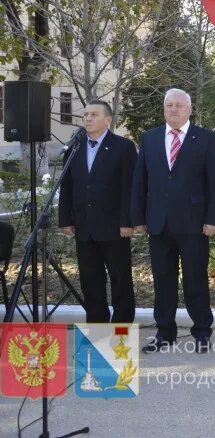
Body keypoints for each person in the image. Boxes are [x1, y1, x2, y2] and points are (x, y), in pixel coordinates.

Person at [132, 88, 215, 353]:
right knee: (163, 280)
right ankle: (165, 333)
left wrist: (212, 219)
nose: (173, 109)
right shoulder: (149, 139)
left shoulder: (205, 138)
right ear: (164, 109)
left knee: (196, 279)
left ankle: (202, 332)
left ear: (189, 109)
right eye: (169, 105)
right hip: (158, 223)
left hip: (194, 224)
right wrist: (138, 218)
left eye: (179, 105)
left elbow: (214, 183)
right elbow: (140, 181)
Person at [59, 99, 137, 323]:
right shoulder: (74, 147)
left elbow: (129, 187)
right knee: (90, 280)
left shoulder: (123, 147)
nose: (88, 119)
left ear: (108, 119)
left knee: (120, 279)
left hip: (114, 226)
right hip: (84, 227)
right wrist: (66, 219)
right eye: (85, 115)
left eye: (94, 114)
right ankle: (97, 326)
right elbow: (67, 185)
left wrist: (128, 222)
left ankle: (122, 327)